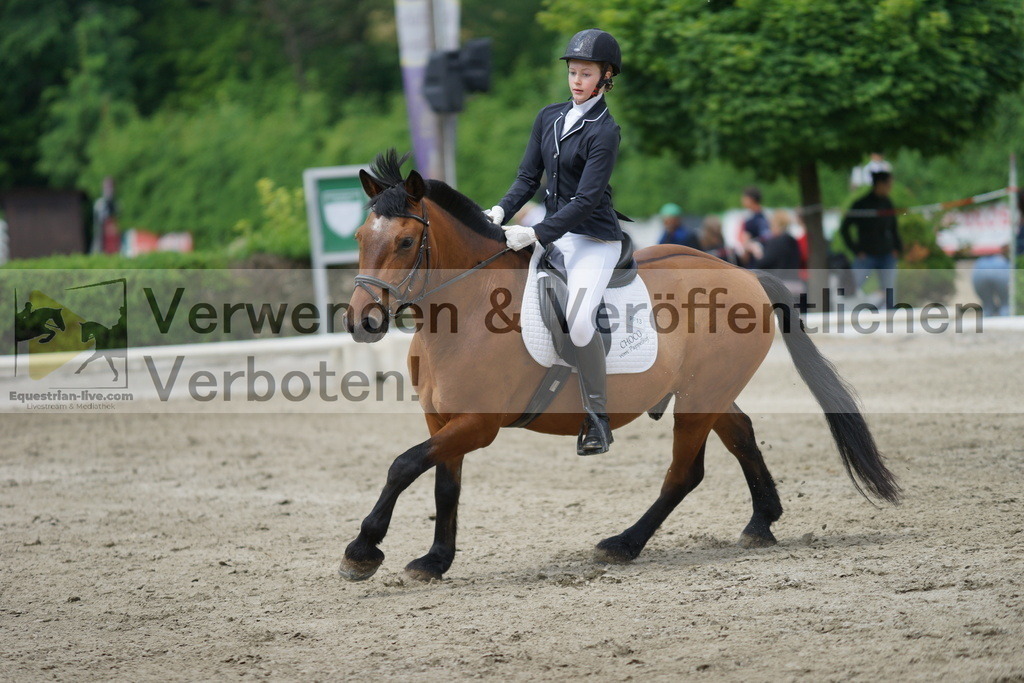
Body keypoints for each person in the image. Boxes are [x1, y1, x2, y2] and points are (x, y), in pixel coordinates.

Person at [483, 29, 624, 455]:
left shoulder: (605, 131)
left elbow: (586, 200)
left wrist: (537, 231)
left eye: (586, 73)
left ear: (605, 77)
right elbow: (528, 177)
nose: (577, 80)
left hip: (593, 240)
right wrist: (499, 212)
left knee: (580, 321)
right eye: (573, 72)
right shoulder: (549, 117)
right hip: (554, 235)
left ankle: (598, 418)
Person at [839, 170, 903, 308]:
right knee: (852, 287)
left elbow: (893, 228)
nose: (890, 188)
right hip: (866, 255)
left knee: (889, 293)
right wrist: (856, 250)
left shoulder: (887, 203)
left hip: (887, 254)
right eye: (888, 184)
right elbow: (844, 229)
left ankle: (890, 323)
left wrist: (897, 248)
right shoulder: (861, 204)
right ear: (880, 184)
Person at [740, 209, 804, 295]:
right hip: (795, 283)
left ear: (776, 224)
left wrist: (757, 251)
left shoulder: (775, 241)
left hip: (781, 284)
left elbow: (764, 263)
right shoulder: (792, 240)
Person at [971, 246, 1011, 316]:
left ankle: (987, 317)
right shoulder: (1002, 260)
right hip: (1001, 271)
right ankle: (1005, 318)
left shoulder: (980, 261)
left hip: (979, 273)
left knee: (987, 306)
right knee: (1005, 304)